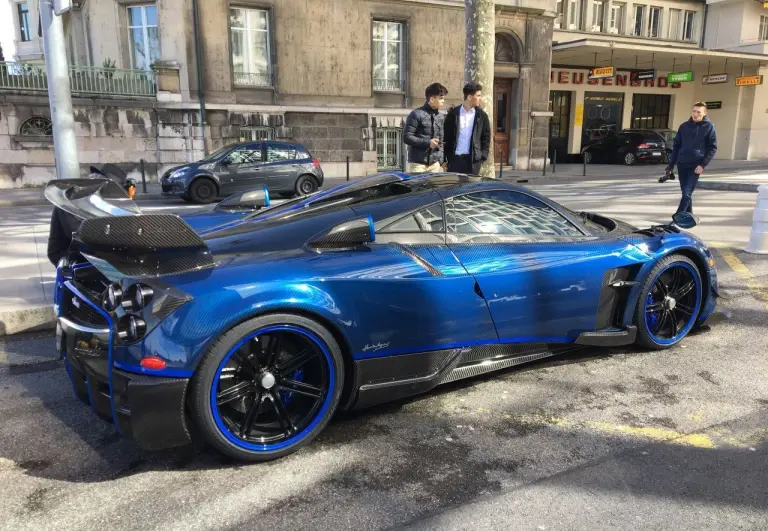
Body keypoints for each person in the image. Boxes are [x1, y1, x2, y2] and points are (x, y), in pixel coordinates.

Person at [665, 102, 717, 216]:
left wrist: (703, 165)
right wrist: (670, 165)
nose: (695, 114)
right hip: (682, 163)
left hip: (696, 165)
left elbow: (712, 148)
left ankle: (678, 216)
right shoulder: (684, 126)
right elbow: (676, 146)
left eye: (699, 112)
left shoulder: (709, 127)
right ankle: (689, 215)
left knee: (687, 192)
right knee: (685, 192)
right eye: (694, 111)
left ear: (704, 113)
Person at [443, 82, 491, 175]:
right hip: (455, 160)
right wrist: (446, 158)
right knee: (454, 188)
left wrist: (482, 157)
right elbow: (446, 137)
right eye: (478, 95)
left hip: (473, 161)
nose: (480, 99)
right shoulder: (453, 114)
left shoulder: (482, 115)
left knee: (471, 188)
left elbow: (486, 138)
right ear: (469, 97)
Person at [403, 82, 448, 173]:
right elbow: (407, 137)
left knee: (433, 188)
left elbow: (441, 141)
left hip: (434, 165)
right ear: (432, 99)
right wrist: (428, 143)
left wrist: (442, 161)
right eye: (441, 98)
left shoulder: (441, 117)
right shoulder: (416, 114)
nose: (443, 101)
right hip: (417, 164)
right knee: (417, 187)